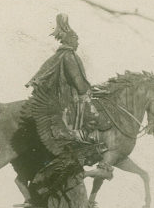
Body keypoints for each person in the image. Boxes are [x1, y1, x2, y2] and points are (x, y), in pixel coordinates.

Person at [26, 13, 100, 146]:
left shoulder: (63, 54)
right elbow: (79, 83)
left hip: (63, 95)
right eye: (76, 39)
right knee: (94, 113)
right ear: (70, 40)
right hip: (68, 97)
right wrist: (89, 89)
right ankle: (82, 135)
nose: (77, 42)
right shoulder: (69, 56)